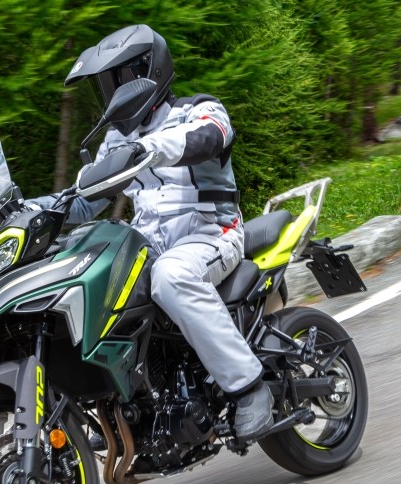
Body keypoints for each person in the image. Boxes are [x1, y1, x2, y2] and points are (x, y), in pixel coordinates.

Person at [30, 24, 273, 441]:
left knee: (170, 277)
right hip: (152, 242)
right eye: (104, 86)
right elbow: (86, 200)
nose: (110, 95)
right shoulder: (117, 138)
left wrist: (150, 148)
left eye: (116, 82)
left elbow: (210, 137)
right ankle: (121, 405)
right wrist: (33, 210)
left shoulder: (199, 110)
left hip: (211, 233)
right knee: (90, 282)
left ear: (148, 73)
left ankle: (249, 386)